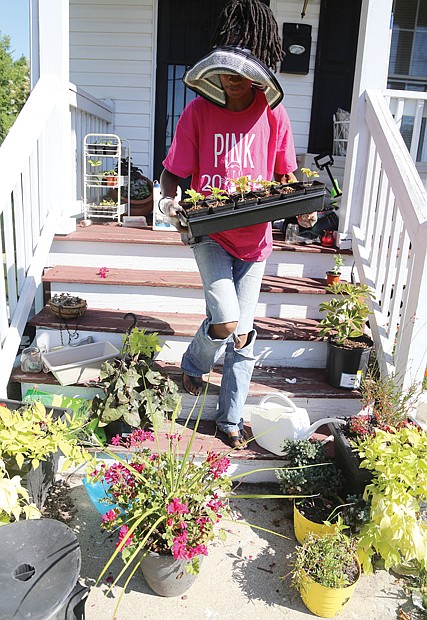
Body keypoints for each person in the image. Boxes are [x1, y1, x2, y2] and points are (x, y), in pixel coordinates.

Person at [159, 0, 297, 449]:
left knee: (243, 332)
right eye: (227, 70)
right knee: (226, 317)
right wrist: (167, 199)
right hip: (209, 232)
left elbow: (285, 176)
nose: (234, 80)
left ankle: (230, 419)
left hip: (255, 242)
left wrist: (304, 205)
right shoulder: (198, 112)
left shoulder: (273, 115)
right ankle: (196, 364)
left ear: (260, 71)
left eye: (244, 71)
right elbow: (174, 171)